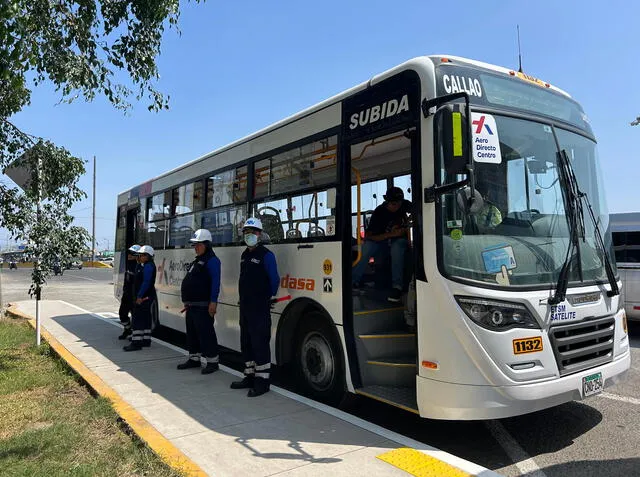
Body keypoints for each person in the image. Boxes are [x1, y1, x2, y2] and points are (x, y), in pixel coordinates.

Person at [230, 217, 280, 397]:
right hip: (245, 307)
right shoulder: (244, 255)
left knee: (260, 344)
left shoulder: (266, 255)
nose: (249, 235)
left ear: (259, 234)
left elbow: (274, 280)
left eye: (252, 232)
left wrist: (266, 297)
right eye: (246, 232)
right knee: (247, 343)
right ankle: (249, 376)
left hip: (259, 308)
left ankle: (262, 382)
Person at [352, 186, 411, 302]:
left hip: (401, 241)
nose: (397, 207)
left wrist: (408, 223)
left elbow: (419, 209)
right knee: (367, 247)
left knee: (396, 247)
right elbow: (369, 236)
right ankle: (353, 281)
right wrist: (390, 234)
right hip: (382, 242)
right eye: (394, 204)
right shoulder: (379, 212)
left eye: (399, 204)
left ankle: (397, 287)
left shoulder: (405, 205)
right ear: (387, 202)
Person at [177, 229, 221, 375]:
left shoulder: (212, 261)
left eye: (199, 244)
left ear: (207, 245)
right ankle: (194, 359)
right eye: (194, 245)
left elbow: (215, 283)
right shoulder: (197, 261)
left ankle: (212, 362)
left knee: (206, 334)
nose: (196, 247)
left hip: (203, 306)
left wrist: (213, 302)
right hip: (192, 306)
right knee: (192, 334)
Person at [123, 245, 156, 351]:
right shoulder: (144, 265)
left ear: (148, 256)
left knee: (138, 320)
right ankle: (146, 340)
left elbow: (146, 282)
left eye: (142, 255)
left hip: (143, 298)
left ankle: (136, 343)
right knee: (146, 319)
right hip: (146, 297)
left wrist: (139, 296)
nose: (139, 257)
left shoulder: (148, 266)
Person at [118, 244, 141, 340]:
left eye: (132, 253)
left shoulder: (139, 267)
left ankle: (135, 335)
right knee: (122, 314)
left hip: (134, 296)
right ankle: (127, 329)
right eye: (129, 253)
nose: (129, 255)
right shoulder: (128, 264)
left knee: (135, 316)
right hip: (126, 295)